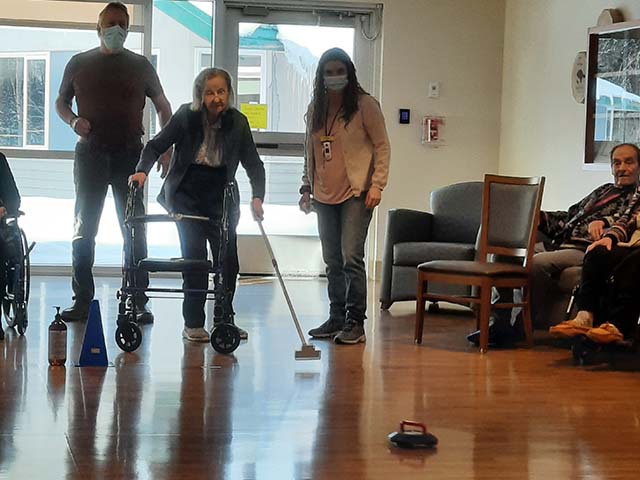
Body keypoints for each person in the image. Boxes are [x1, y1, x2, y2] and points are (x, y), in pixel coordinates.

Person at [55, 2, 172, 323]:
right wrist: (72, 121)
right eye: (111, 23)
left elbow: (162, 105)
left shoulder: (141, 66)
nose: (117, 29)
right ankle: (81, 300)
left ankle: (137, 300)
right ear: (99, 27)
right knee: (84, 228)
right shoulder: (79, 63)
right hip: (90, 156)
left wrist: (164, 145)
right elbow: (60, 102)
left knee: (133, 229)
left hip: (130, 158)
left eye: (122, 23)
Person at [130, 68, 265, 343]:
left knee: (228, 261)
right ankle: (193, 323)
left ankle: (224, 319)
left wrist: (257, 196)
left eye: (221, 91)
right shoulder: (186, 116)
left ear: (229, 93)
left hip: (220, 193)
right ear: (200, 96)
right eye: (210, 93)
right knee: (195, 259)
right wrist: (142, 170)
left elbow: (253, 163)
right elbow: (155, 146)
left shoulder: (238, 122)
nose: (216, 98)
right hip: (187, 191)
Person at [467, 143, 640, 346]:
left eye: (629, 162)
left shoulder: (636, 195)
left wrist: (604, 223)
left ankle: (522, 327)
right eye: (616, 163)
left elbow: (628, 222)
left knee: (535, 264)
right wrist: (540, 217)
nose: (622, 168)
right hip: (559, 243)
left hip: (585, 249)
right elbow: (570, 215)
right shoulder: (603, 191)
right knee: (503, 256)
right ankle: (500, 322)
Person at [299, 48, 390, 345]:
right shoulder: (316, 108)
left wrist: (377, 184)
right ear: (321, 76)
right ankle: (336, 316)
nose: (335, 77)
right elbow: (309, 152)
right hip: (324, 194)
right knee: (332, 260)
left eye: (341, 71)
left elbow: (382, 146)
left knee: (351, 257)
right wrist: (306, 187)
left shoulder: (365, 106)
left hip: (356, 192)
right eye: (330, 72)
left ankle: (355, 322)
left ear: (349, 73)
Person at [550, 187, 640, 344]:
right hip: (633, 241)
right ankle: (585, 317)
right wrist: (610, 237)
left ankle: (618, 326)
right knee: (598, 251)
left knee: (634, 262)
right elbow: (627, 219)